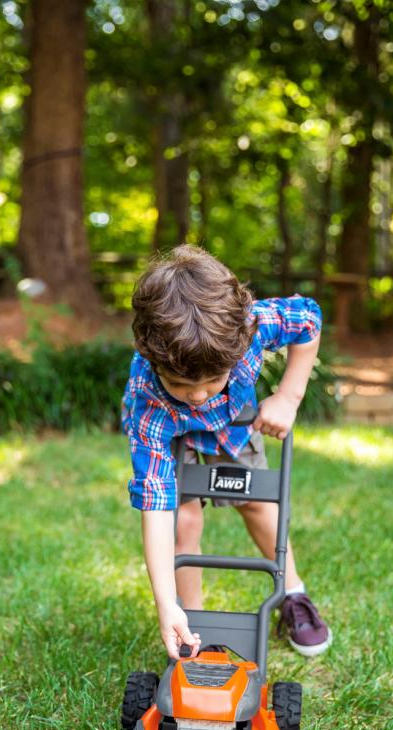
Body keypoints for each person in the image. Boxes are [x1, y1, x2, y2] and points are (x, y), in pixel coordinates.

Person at [121, 244, 332, 662]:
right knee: (183, 518)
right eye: (182, 384)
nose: (198, 396)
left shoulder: (252, 325)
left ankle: (292, 595)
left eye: (213, 379)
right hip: (169, 431)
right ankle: (189, 620)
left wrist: (288, 397)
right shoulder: (148, 398)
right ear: (151, 356)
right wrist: (164, 605)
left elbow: (308, 317)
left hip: (233, 427)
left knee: (256, 504)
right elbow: (155, 506)